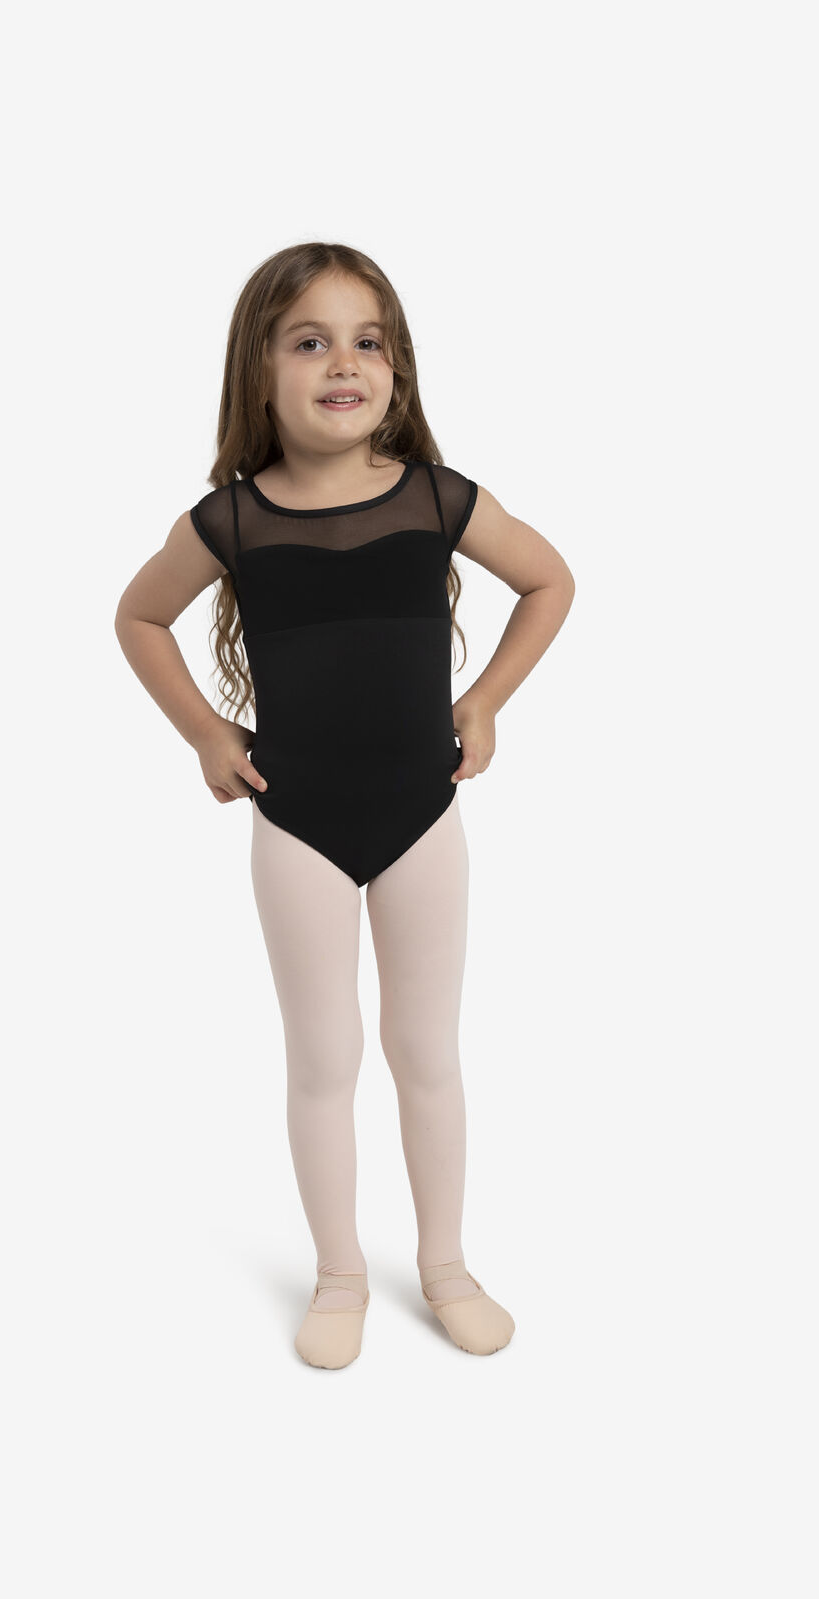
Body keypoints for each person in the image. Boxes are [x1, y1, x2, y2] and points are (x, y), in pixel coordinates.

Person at [115, 242, 575, 1369]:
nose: (344, 363)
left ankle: (446, 1265)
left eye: (368, 341)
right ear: (258, 370)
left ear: (397, 368)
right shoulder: (230, 520)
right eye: (310, 341)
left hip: (422, 815)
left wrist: (485, 701)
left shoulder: (436, 497)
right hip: (297, 824)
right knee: (323, 1057)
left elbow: (549, 579)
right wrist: (207, 733)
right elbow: (138, 616)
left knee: (426, 1050)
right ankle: (339, 1274)